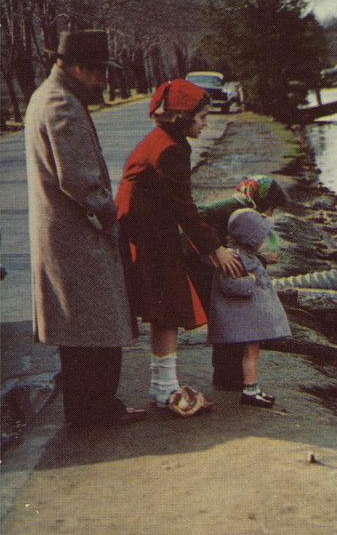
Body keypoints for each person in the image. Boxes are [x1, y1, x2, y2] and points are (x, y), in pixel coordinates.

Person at [24, 30, 144, 429]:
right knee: (95, 328)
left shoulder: (48, 96)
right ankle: (96, 410)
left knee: (81, 330)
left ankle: (89, 410)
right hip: (78, 239)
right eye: (99, 73)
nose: (103, 82)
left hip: (66, 238)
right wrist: (109, 214)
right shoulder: (61, 103)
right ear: (79, 67)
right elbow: (79, 179)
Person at [115, 79, 243, 413]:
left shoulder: (165, 140)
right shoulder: (169, 150)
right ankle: (165, 389)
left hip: (146, 230)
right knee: (168, 307)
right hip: (148, 235)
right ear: (181, 118)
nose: (206, 123)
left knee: (163, 309)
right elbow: (184, 208)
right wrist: (216, 249)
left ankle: (162, 386)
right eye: (202, 117)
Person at [185, 176, 289, 389]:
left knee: (231, 321)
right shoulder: (232, 207)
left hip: (215, 266)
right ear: (264, 201)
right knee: (228, 321)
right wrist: (216, 248)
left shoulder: (242, 207)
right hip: (205, 267)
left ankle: (230, 375)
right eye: (271, 208)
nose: (270, 214)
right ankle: (227, 376)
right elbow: (198, 216)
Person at [207, 209, 291, 407]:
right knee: (250, 355)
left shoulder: (243, 255)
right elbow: (228, 285)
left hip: (248, 319)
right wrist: (250, 281)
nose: (262, 241)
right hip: (246, 322)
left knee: (252, 354)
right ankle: (250, 391)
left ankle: (252, 389)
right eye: (259, 237)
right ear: (250, 239)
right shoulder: (236, 258)